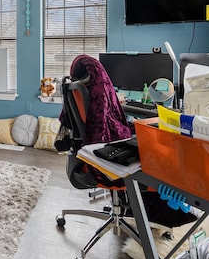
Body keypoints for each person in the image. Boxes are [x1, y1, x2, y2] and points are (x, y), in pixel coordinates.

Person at [58, 54, 196, 228]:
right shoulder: (91, 92)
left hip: (85, 155)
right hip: (101, 162)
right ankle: (155, 213)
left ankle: (139, 209)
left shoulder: (78, 87)